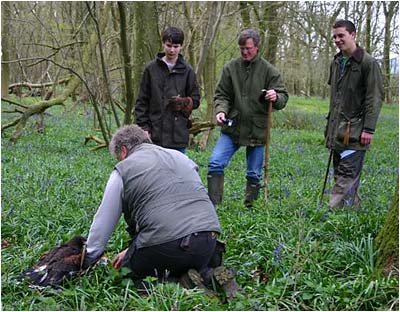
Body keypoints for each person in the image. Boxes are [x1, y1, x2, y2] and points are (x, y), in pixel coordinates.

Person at [83, 125, 225, 291]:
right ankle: (206, 275)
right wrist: (131, 250)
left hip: (165, 248)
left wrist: (88, 259)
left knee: (123, 275)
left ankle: (175, 284)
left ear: (123, 150)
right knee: (181, 258)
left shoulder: (124, 169)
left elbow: (103, 222)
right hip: (208, 241)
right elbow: (181, 211)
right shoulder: (181, 157)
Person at [207, 28, 289, 208]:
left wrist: (276, 97)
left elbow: (283, 98)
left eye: (248, 48)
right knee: (215, 163)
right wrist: (220, 111)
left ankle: (251, 208)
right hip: (232, 127)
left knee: (253, 174)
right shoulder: (231, 68)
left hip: (257, 129)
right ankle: (213, 206)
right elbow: (222, 95)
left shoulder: (269, 71)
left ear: (257, 47)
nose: (244, 52)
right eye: (241, 48)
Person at [325, 20, 384, 209]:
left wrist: (369, 129)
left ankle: (332, 221)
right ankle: (353, 213)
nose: (337, 40)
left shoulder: (368, 63)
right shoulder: (336, 62)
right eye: (334, 36)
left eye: (341, 35)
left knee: (345, 180)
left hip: (357, 132)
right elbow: (336, 99)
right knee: (341, 177)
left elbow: (374, 98)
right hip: (337, 132)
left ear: (353, 34)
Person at [135, 26, 200, 154]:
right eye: (168, 45)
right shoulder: (151, 69)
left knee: (177, 172)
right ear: (163, 44)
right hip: (155, 133)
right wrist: (144, 127)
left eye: (175, 46)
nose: (171, 50)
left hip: (178, 134)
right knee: (154, 172)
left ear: (181, 46)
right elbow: (142, 101)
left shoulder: (188, 71)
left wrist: (185, 102)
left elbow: (196, 99)